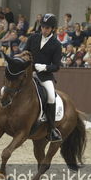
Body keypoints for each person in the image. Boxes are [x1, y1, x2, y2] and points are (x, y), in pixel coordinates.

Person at [25, 13, 62, 143]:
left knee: (51, 96)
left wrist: (45, 67)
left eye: (47, 28)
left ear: (52, 29)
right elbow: (25, 53)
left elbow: (57, 66)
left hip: (45, 76)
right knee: (10, 86)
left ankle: (52, 129)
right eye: (43, 27)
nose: (44, 30)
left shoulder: (56, 44)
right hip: (29, 73)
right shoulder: (33, 38)